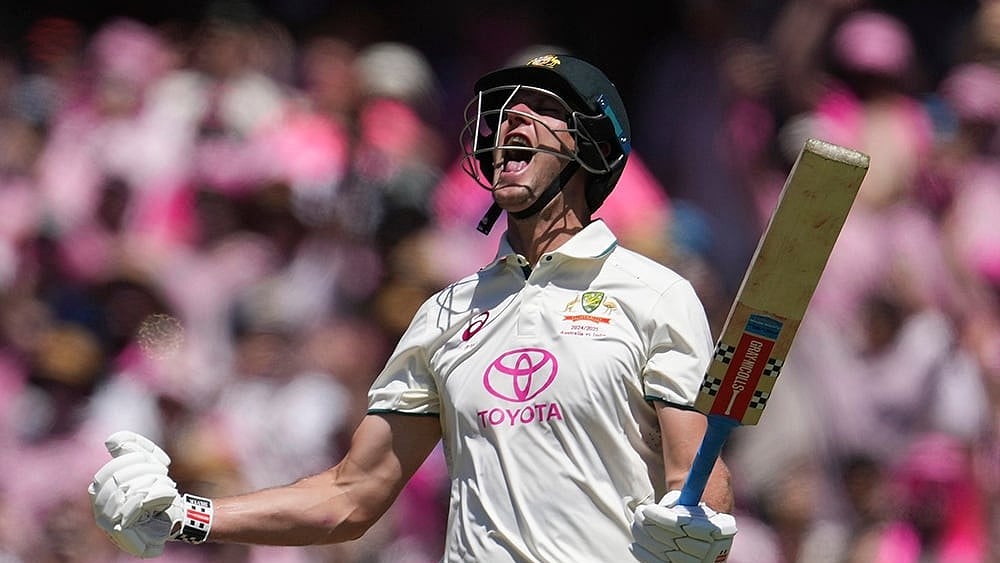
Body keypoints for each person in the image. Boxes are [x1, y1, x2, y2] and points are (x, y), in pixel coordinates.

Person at [88, 53, 738, 563]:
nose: (510, 120)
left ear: (593, 142)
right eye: (504, 110)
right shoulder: (446, 314)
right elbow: (350, 495)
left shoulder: (654, 293)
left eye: (540, 108)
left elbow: (698, 480)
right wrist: (186, 514)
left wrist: (700, 526)